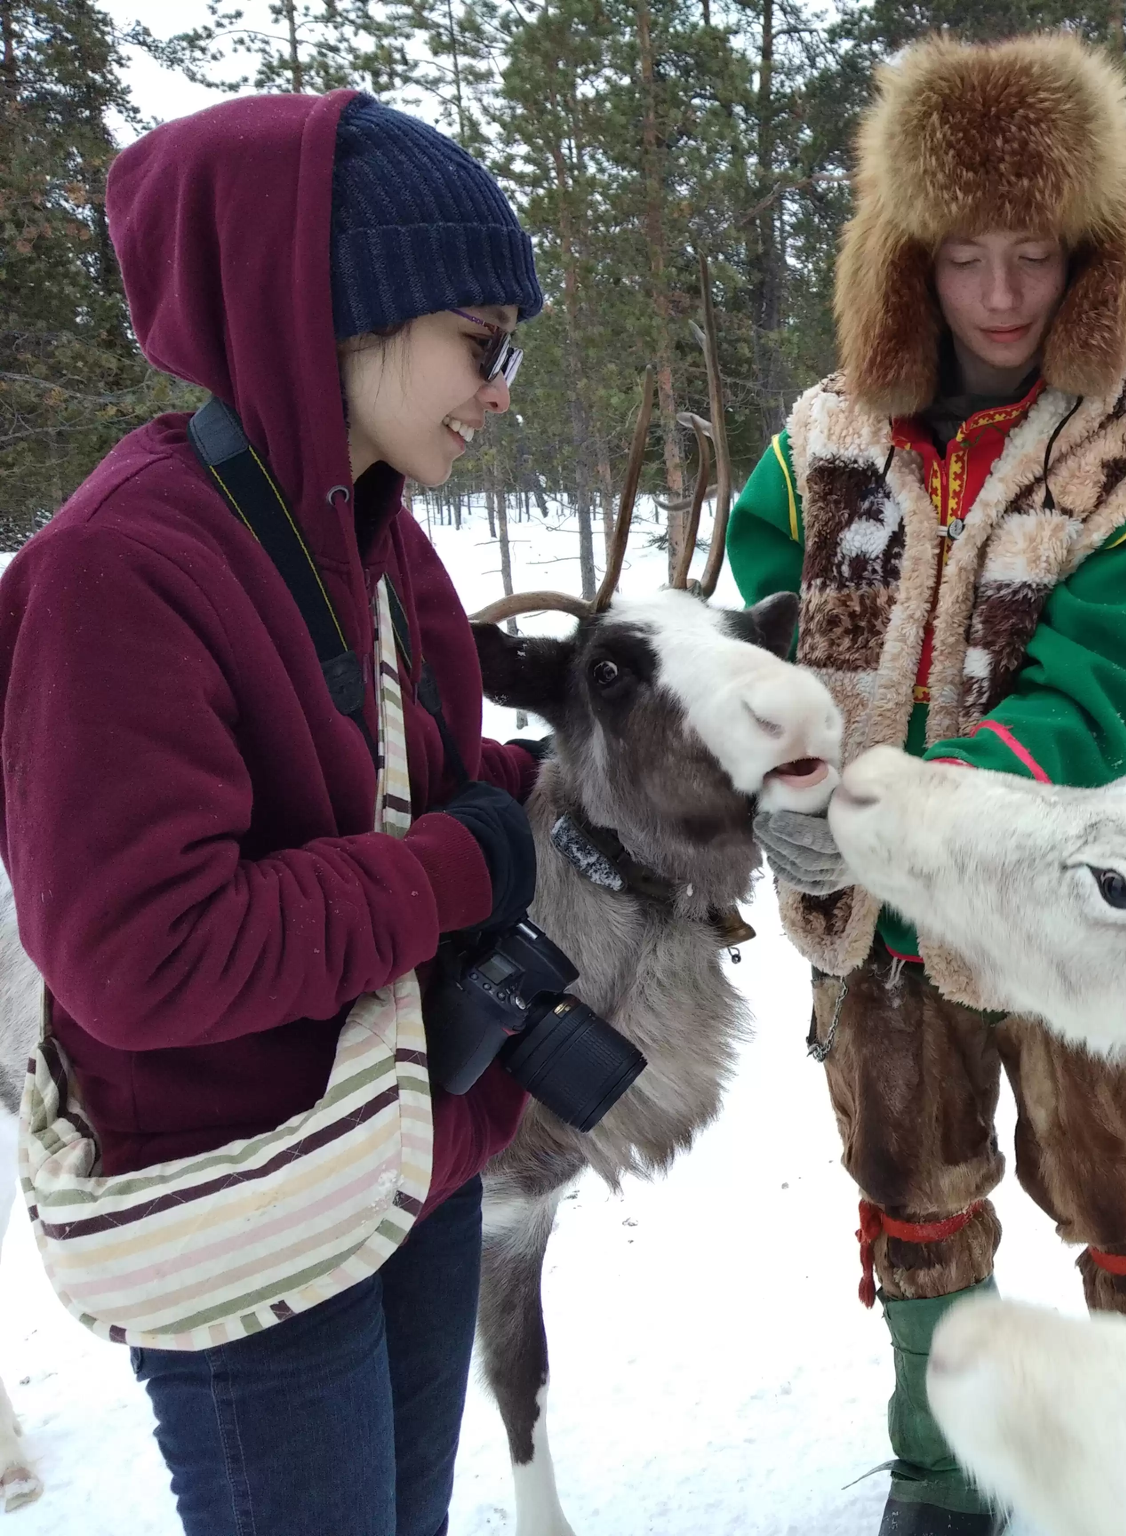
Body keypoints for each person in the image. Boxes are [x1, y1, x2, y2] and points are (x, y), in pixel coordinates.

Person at [0, 90, 547, 1536]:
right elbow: (142, 950)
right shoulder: (115, 574)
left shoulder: (380, 540)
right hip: (247, 1212)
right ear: (340, 317)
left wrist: (617, 794)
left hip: (409, 1155)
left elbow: (454, 784)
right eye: (482, 343)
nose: (503, 390)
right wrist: (443, 873)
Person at [729, 34, 1126, 1536]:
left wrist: (910, 810)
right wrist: (769, 769)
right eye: (966, 257)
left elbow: (1106, 697)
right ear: (912, 261)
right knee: (913, 1184)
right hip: (869, 926)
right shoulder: (818, 442)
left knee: (1123, 1187)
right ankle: (944, 1468)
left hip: (1075, 912)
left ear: (1094, 255)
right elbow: (760, 623)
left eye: (1035, 254)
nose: (1004, 295)